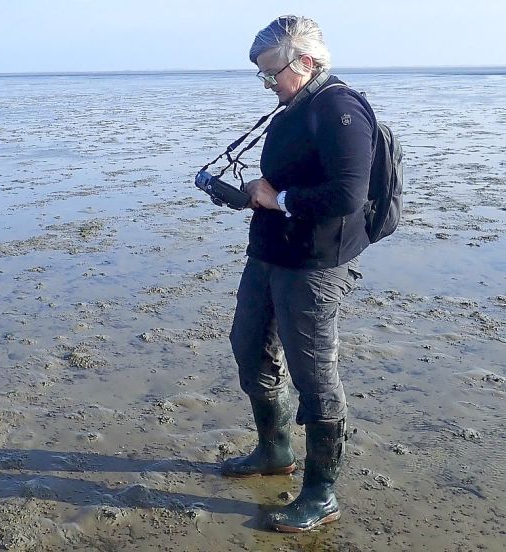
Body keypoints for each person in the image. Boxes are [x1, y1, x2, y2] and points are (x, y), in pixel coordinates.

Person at [220, 16, 377, 533]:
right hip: (268, 253)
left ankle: (320, 494)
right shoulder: (296, 104)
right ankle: (274, 450)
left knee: (315, 379)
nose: (268, 84)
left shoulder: (338, 106)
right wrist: (258, 193)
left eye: (272, 73)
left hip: (312, 265)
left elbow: (349, 195)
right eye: (261, 76)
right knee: (249, 347)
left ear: (306, 62)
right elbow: (293, 174)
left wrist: (279, 197)